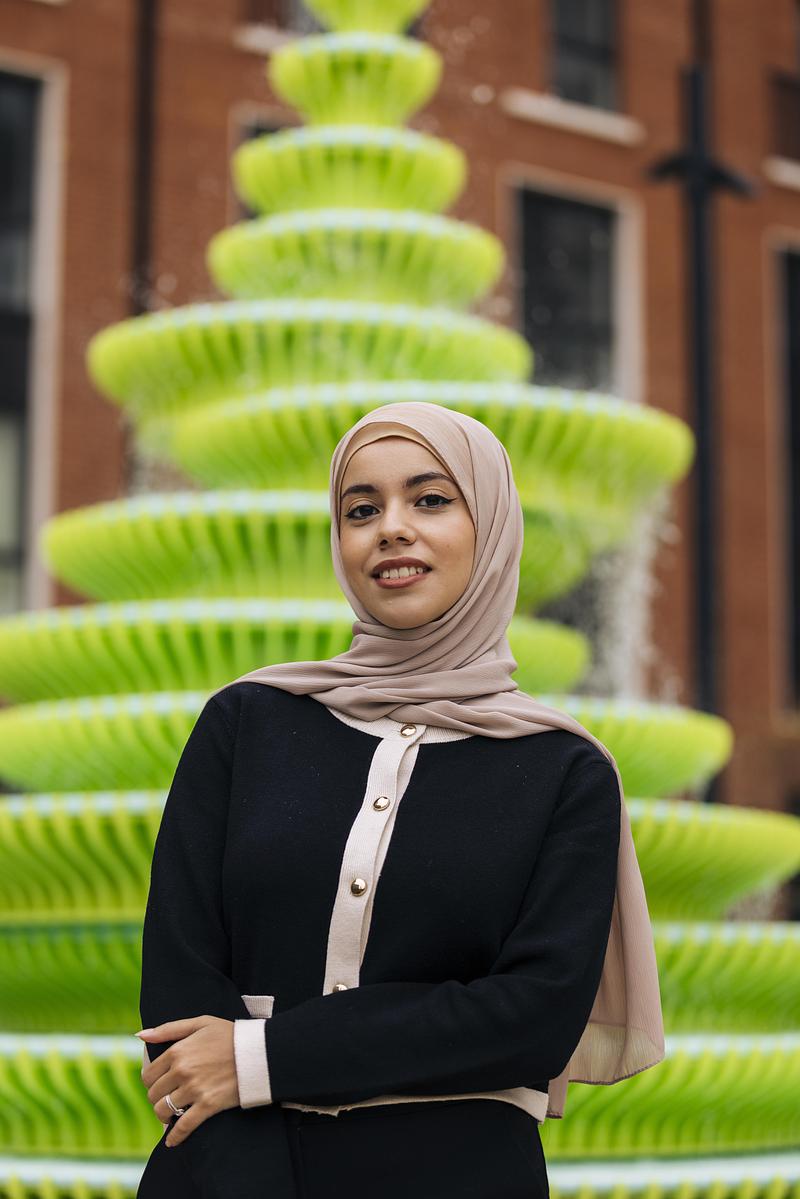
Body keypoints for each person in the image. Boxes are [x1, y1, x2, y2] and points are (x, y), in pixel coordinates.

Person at [135, 402, 665, 1199]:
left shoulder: (565, 770)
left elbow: (533, 1017)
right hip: (228, 1172)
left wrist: (263, 1057)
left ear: (490, 526)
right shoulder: (246, 722)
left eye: (429, 499)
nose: (390, 528)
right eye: (360, 509)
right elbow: (180, 976)